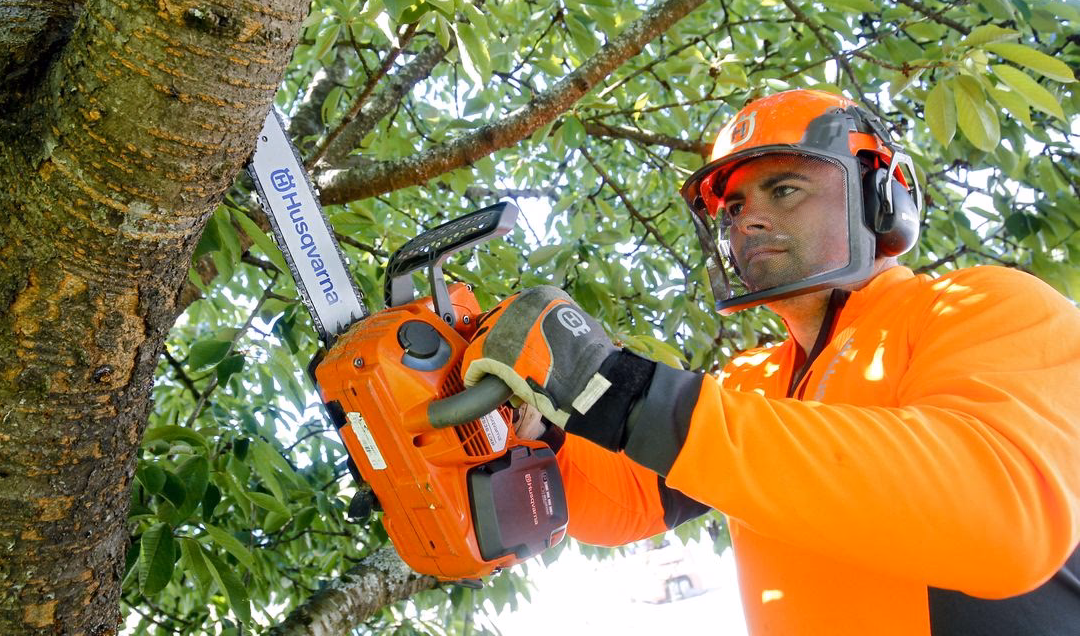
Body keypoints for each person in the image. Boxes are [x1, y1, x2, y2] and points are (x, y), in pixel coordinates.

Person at [462, 89, 1080, 635]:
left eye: (784, 189)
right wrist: (530, 437)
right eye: (732, 209)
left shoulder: (984, 306)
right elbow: (626, 502)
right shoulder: (750, 382)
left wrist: (620, 391)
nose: (747, 220)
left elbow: (1000, 514)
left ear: (880, 195)